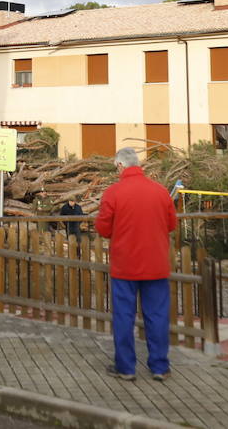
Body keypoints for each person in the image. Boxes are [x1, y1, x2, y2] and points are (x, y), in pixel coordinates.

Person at [95, 147, 178, 381]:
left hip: (125, 265)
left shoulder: (113, 193)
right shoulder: (161, 192)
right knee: (157, 316)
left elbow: (103, 228)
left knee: (124, 316)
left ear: (120, 166)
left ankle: (126, 367)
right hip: (156, 264)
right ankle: (160, 366)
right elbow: (171, 224)